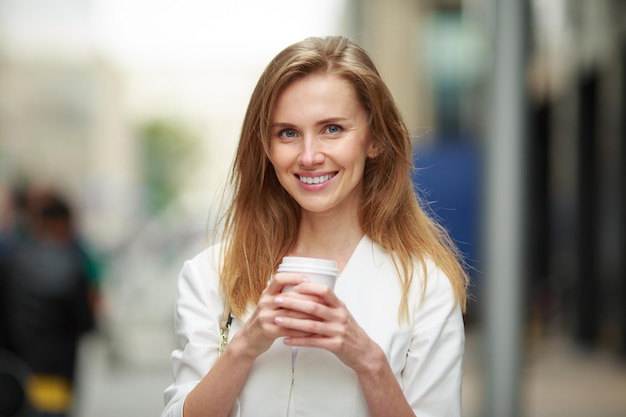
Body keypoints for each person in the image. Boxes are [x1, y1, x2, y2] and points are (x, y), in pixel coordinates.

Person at [162, 36, 469, 417]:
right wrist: (245, 345)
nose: (309, 156)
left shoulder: (425, 288)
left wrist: (367, 360)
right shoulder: (211, 275)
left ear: (374, 139)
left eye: (332, 129)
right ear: (266, 147)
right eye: (288, 133)